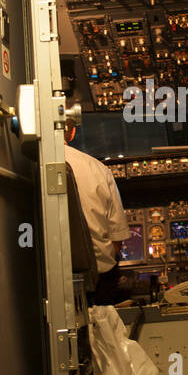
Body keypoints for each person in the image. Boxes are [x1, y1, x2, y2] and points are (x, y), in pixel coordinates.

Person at [63, 114, 131, 305]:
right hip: (98, 282)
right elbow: (117, 240)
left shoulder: (32, 166)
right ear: (72, 132)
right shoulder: (98, 169)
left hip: (51, 280)